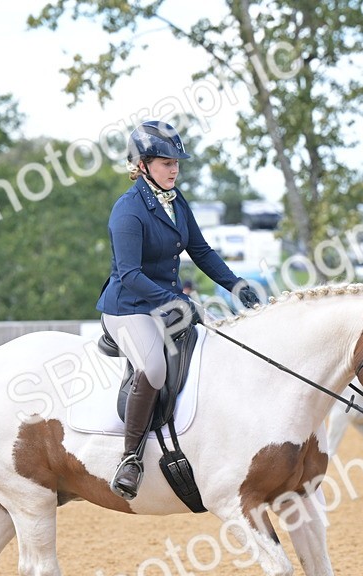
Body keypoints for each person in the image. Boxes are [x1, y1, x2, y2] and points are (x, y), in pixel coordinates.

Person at [97, 119, 261, 500]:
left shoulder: (176, 201)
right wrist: (178, 301)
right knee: (153, 367)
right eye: (166, 163)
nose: (174, 169)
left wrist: (235, 284)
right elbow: (131, 274)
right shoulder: (128, 211)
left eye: (176, 163)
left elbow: (200, 250)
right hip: (128, 307)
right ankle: (131, 459)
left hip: (165, 304)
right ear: (142, 165)